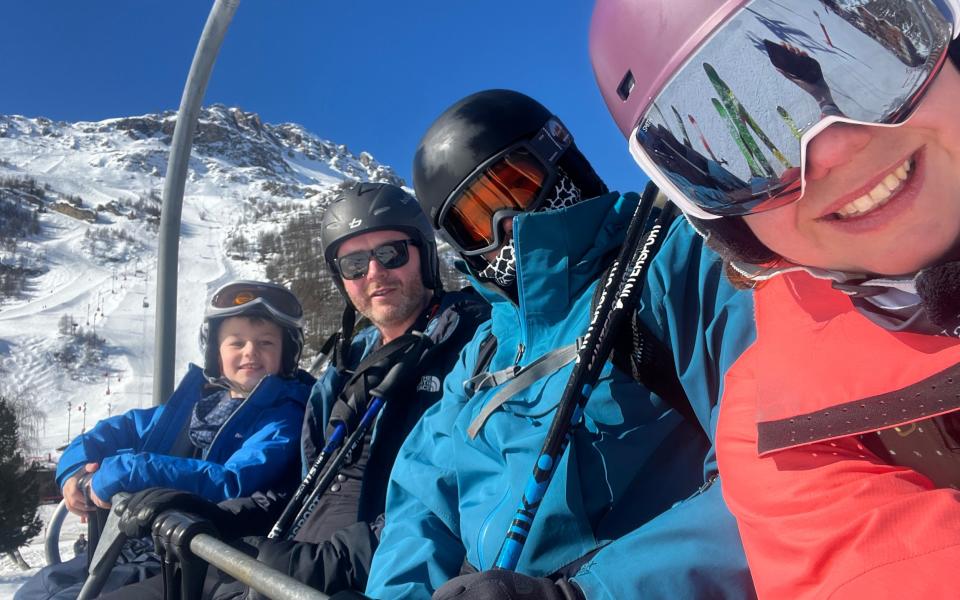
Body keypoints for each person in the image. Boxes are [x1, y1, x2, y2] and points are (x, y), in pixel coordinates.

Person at [590, 0, 960, 597]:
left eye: (874, 65)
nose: (835, 150)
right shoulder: (775, 428)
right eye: (752, 154)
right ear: (729, 224)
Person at [365, 90, 757, 599]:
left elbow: (777, 470)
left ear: (560, 159)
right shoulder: (482, 353)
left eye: (515, 185)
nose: (504, 224)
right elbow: (420, 498)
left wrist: (587, 594)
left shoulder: (675, 263)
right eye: (475, 221)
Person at [105, 182, 490, 599]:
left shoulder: (472, 345)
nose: (374, 274)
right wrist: (219, 516)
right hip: (286, 557)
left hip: (362, 577)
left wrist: (331, 561)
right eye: (355, 263)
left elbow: (461, 498)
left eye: (391, 253)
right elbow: (309, 484)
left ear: (425, 255)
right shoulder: (351, 364)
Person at [17, 280, 314, 600]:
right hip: (132, 543)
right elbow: (116, 431)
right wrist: (75, 471)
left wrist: (129, 471)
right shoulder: (198, 407)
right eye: (236, 342)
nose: (250, 352)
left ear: (287, 353)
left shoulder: (284, 417)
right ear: (216, 352)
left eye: (266, 343)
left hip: (189, 555)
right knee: (36, 590)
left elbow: (233, 481)